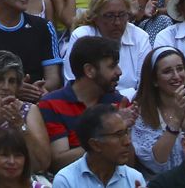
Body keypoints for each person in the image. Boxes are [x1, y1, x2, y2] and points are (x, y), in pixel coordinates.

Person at [38, 37, 130, 169]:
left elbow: (129, 164)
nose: (119, 72)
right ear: (89, 71)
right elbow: (59, 161)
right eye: (112, 66)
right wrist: (109, 138)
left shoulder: (118, 103)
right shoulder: (52, 104)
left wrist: (124, 131)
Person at [132, 46, 185, 175]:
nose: (176, 76)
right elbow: (156, 165)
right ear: (154, 80)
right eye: (167, 71)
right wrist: (175, 122)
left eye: (180, 69)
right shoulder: (141, 115)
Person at [63, 0, 153, 95]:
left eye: (122, 15)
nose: (117, 22)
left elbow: (145, 88)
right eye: (110, 16)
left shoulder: (140, 37)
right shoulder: (82, 36)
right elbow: (72, 83)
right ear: (95, 17)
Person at [52, 103, 143, 188]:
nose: (127, 142)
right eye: (118, 135)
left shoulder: (134, 179)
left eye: (126, 132)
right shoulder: (66, 181)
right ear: (95, 145)